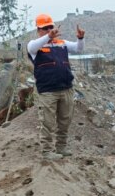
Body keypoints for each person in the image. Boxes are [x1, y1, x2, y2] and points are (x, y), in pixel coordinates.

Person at [27, 13, 85, 159]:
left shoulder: (62, 43)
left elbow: (78, 49)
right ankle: (46, 151)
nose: (48, 30)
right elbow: (33, 47)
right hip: (47, 91)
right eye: (45, 28)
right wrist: (48, 37)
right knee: (47, 122)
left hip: (66, 88)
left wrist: (80, 38)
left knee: (65, 120)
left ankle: (61, 147)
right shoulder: (34, 46)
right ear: (38, 30)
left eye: (50, 27)